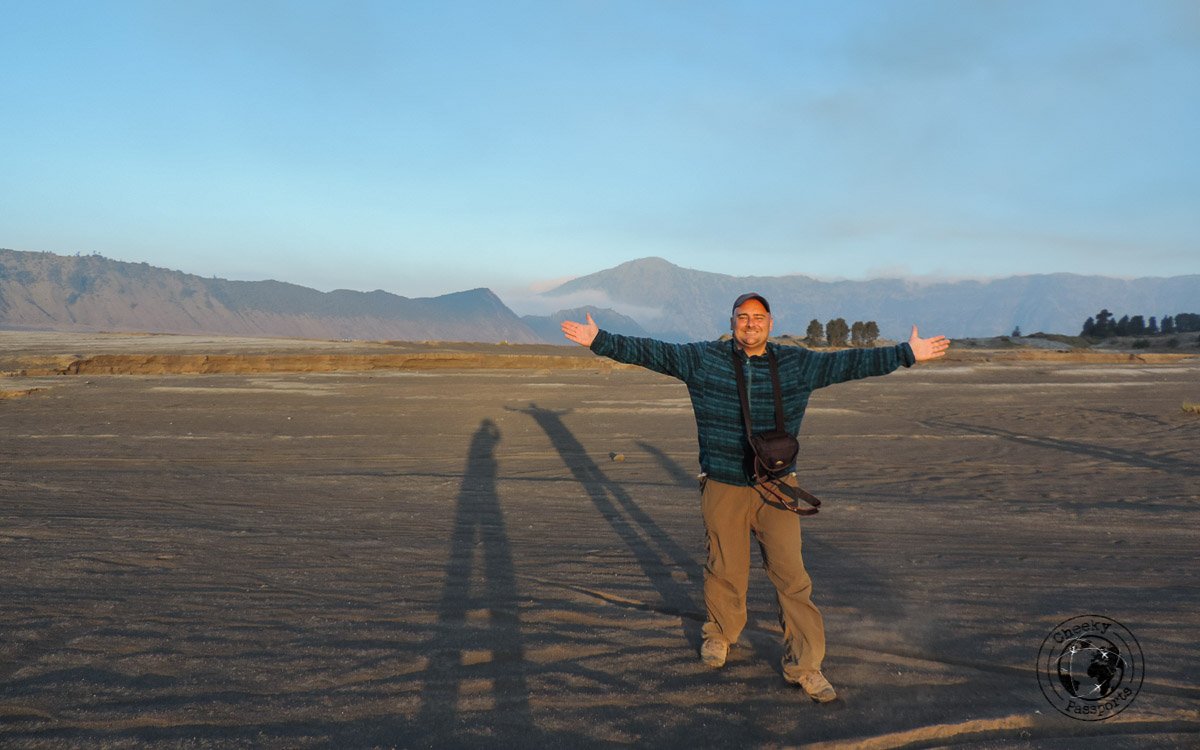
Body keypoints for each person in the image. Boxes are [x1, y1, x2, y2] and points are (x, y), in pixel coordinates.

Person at [561, 293, 949, 702]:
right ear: (731, 322)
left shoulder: (796, 364)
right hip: (724, 484)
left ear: (770, 322)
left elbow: (849, 362)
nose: (750, 323)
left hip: (777, 487)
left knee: (792, 577)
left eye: (758, 317)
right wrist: (599, 340)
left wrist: (907, 353)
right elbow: (652, 352)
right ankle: (720, 634)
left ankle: (805, 665)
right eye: (742, 317)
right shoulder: (703, 360)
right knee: (724, 567)